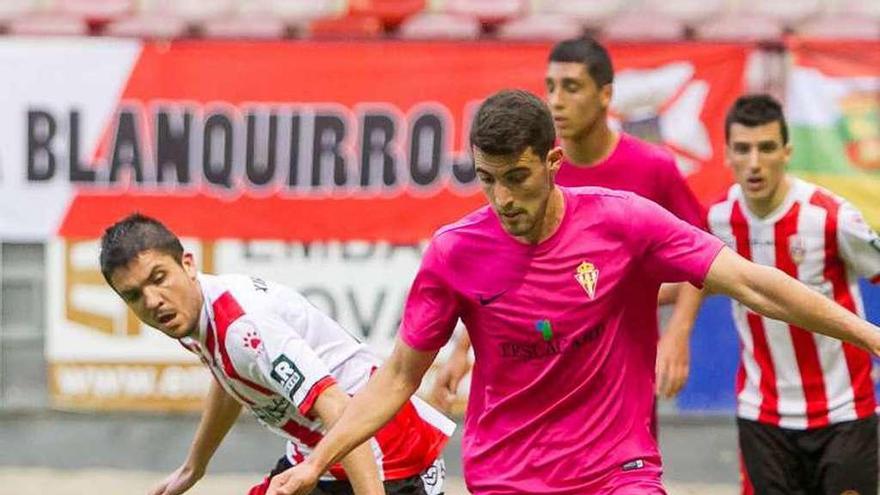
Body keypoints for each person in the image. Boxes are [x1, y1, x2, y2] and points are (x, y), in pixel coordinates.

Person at [266, 90, 880, 495]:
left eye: (517, 177)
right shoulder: (454, 252)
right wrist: (319, 463)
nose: (503, 198)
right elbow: (398, 377)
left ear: (554, 160)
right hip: (507, 475)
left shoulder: (624, 221)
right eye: (487, 179)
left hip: (620, 470)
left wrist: (869, 334)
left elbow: (752, 282)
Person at [430, 37, 705, 412]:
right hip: (544, 355)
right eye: (551, 87)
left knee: (625, 461)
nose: (556, 100)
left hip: (624, 359)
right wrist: (461, 349)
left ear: (605, 94)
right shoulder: (537, 170)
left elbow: (701, 254)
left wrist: (678, 331)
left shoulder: (653, 167)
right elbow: (502, 263)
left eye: (571, 87)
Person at [99, 214, 454, 495]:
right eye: (133, 296)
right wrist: (194, 468)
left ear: (188, 264)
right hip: (322, 452)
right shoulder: (195, 313)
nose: (151, 301)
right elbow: (229, 378)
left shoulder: (242, 327)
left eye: (158, 278)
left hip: (385, 454)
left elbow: (337, 407)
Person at [707, 94, 880, 495]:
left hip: (844, 410)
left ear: (786, 151)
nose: (754, 162)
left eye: (766, 148)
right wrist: (678, 332)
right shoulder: (716, 218)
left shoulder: (831, 216)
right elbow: (692, 278)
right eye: (743, 149)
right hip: (762, 414)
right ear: (727, 154)